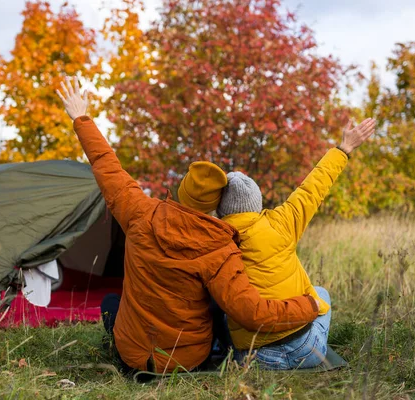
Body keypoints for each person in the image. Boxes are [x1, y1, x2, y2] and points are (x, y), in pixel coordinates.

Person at [56, 76, 320, 374]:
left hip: (134, 357)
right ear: (213, 206)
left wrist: (81, 118)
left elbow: (106, 165)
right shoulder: (219, 247)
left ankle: (127, 353)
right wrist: (308, 306)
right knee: (217, 307)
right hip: (186, 362)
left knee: (111, 302)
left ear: (181, 188)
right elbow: (252, 313)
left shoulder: (139, 211)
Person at [217, 118, 376, 369]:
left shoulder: (216, 241)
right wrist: (344, 148)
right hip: (306, 350)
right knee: (320, 293)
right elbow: (313, 188)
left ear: (222, 210)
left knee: (224, 309)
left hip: (254, 359)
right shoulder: (281, 222)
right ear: (256, 203)